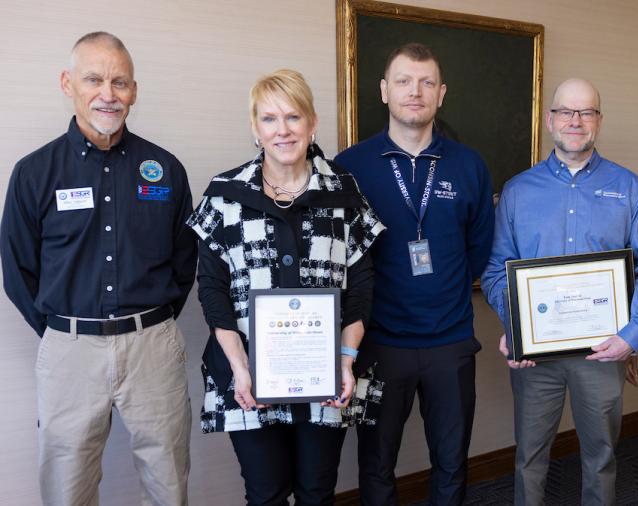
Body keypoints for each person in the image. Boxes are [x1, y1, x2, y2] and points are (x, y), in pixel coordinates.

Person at [0, 32, 196, 505]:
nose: (108, 94)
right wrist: (61, 330)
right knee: (67, 488)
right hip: (69, 349)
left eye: (120, 82)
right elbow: (16, 268)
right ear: (68, 83)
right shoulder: (34, 172)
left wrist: (151, 323)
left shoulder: (164, 169)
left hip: (153, 344)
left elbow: (184, 259)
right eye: (94, 79)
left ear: (134, 91)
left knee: (168, 481)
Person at [186, 69, 384, 505]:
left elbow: (361, 283)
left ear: (312, 124)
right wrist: (239, 367)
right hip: (249, 376)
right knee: (265, 493)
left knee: (317, 491)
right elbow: (213, 290)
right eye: (270, 119)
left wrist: (346, 360)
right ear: (255, 129)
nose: (283, 130)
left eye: (294, 117)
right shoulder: (225, 195)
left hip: (326, 373)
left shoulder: (343, 191)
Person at [481, 78, 638, 505]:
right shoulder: (517, 191)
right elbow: (496, 269)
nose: (575, 121)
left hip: (603, 351)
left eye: (586, 112)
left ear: (598, 122)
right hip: (536, 355)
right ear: (551, 120)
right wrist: (517, 323)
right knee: (529, 456)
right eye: (566, 112)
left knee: (601, 456)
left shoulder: (627, 188)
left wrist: (632, 335)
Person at [334, 43, 494, 505]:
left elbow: (480, 247)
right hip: (379, 343)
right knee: (376, 464)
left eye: (426, 83)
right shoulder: (350, 167)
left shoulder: (469, 165)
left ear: (441, 93)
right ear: (384, 91)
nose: (415, 92)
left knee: (451, 461)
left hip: (451, 342)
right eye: (403, 81)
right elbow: (339, 257)